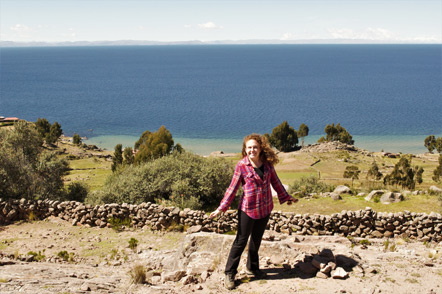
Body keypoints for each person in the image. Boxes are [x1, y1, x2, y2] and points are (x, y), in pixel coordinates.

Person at [209, 133, 297, 290]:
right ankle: (229, 273)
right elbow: (232, 188)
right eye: (249, 147)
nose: (252, 150)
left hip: (265, 207)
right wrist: (221, 207)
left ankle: (253, 268)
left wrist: (287, 197)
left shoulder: (268, 165)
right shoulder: (241, 166)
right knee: (240, 241)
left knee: (257, 239)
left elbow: (276, 183)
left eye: (255, 147)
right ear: (245, 149)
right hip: (247, 210)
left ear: (260, 148)